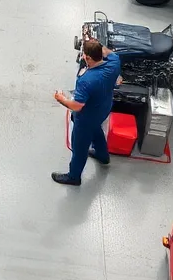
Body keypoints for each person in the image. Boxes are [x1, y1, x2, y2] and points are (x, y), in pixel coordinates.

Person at [51, 39, 121, 185]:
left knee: (79, 148)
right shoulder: (114, 62)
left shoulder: (87, 80)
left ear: (88, 58)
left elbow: (77, 106)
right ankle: (103, 156)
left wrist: (60, 98)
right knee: (96, 129)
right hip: (103, 109)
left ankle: (74, 176)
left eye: (84, 55)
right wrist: (96, 44)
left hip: (86, 118)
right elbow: (107, 52)